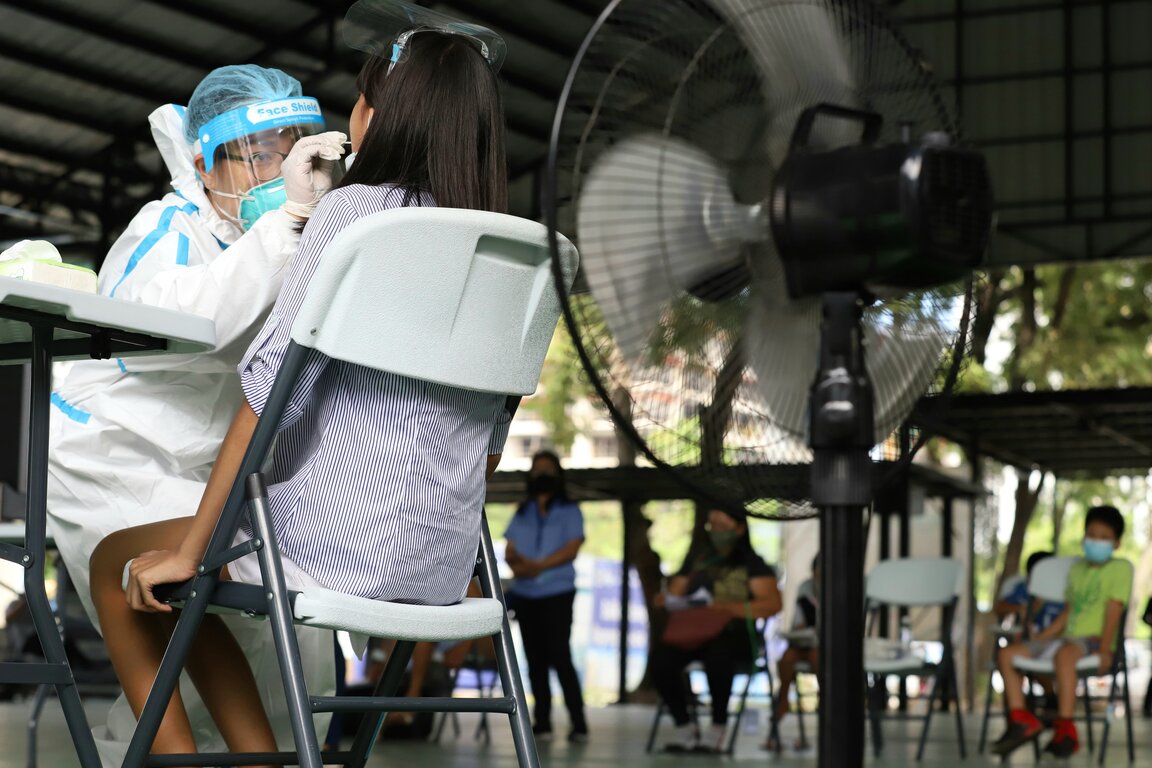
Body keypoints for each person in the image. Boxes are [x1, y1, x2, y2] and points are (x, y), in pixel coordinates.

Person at [87, 22, 510, 760]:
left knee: (117, 562)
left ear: (377, 116)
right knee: (190, 584)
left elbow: (269, 391)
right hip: (446, 568)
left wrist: (194, 548)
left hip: (335, 550)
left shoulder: (351, 216)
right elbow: (490, 435)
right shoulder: (509, 245)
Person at [46, 63, 344, 762]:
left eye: (294, 147)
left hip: (198, 468)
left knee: (225, 608)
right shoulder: (170, 223)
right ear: (207, 162)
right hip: (110, 456)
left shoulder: (290, 239)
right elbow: (181, 321)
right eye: (260, 152)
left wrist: (290, 231)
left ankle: (243, 754)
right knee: (172, 585)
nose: (280, 168)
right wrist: (286, 227)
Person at [991, 505, 1132, 759]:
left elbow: (1114, 611)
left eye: (1104, 537)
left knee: (1064, 657)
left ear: (1117, 543)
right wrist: (1041, 639)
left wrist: (1104, 651)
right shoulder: (1077, 571)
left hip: (1093, 640)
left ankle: (1066, 729)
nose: (1096, 541)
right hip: (1063, 638)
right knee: (1006, 654)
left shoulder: (1120, 569)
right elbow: (1068, 611)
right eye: (1092, 535)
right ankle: (1021, 720)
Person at [652, 502, 782, 754]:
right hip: (694, 633)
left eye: (724, 525)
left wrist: (724, 608)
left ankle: (717, 728)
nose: (717, 530)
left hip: (734, 636)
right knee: (661, 659)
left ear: (740, 529)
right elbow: (675, 593)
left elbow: (772, 604)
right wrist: (667, 597)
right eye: (713, 525)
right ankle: (684, 728)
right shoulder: (699, 558)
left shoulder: (751, 563)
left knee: (719, 655)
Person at [503, 449, 590, 743]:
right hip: (525, 594)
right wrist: (521, 568)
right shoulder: (522, 511)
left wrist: (538, 566)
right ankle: (543, 724)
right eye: (537, 469)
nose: (542, 475)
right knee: (534, 659)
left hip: (557, 593)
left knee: (559, 656)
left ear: (558, 475)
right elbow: (510, 550)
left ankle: (578, 724)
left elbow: (572, 547)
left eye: (548, 469)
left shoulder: (569, 510)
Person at [763, 553, 819, 751]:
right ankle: (783, 702)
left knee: (817, 657)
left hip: (822, 648)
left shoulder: (840, 592)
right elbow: (799, 621)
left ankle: (828, 705)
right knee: (786, 658)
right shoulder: (807, 590)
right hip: (804, 643)